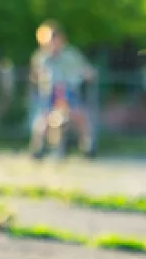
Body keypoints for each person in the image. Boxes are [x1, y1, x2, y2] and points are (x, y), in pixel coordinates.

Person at [28, 21, 97, 159]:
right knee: (44, 119)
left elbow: (85, 70)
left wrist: (88, 73)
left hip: (69, 92)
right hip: (50, 94)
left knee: (81, 117)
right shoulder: (41, 57)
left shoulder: (71, 55)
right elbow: (36, 77)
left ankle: (87, 147)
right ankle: (38, 148)